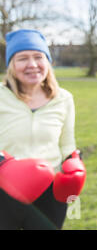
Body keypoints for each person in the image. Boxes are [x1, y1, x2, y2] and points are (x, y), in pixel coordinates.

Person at [0, 29, 86, 230]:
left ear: (47, 62)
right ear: (11, 65)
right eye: (22, 58)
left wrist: (74, 160)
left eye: (38, 57)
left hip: (50, 192)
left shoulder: (64, 98)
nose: (32, 65)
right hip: (4, 190)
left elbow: (67, 144)